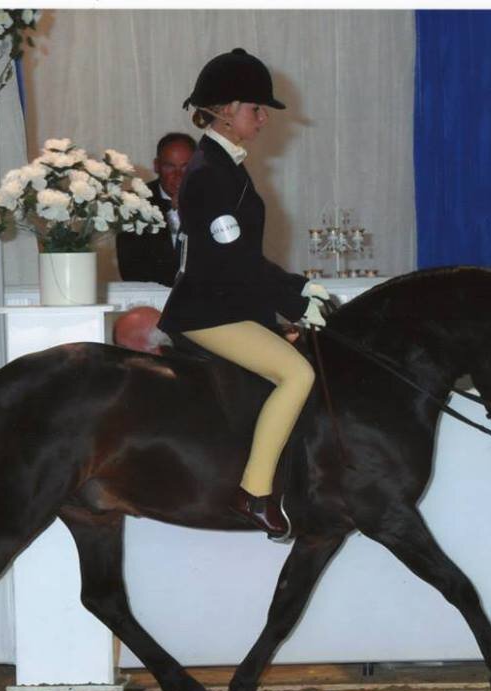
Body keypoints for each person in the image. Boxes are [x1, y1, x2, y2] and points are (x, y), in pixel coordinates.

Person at [157, 48, 329, 538]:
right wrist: (294, 300)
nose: (263, 120)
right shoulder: (210, 173)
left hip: (228, 303)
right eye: (257, 110)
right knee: (296, 375)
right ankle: (254, 493)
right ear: (227, 111)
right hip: (208, 312)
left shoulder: (226, 166)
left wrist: (296, 288)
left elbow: (240, 258)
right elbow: (232, 263)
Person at [115, 133, 197, 286]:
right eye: (169, 166)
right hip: (155, 300)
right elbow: (131, 271)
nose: (178, 175)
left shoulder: (214, 200)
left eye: (186, 167)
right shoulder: (134, 204)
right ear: (156, 166)